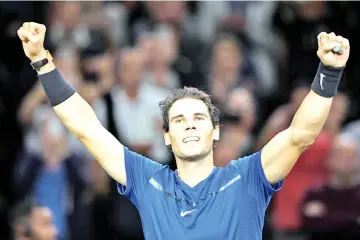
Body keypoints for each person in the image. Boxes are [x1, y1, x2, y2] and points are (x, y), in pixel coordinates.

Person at [17, 22, 350, 239]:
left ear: (215, 131)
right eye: (178, 120)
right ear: (166, 136)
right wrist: (42, 62)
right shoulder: (147, 181)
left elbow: (299, 134)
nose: (189, 123)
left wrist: (329, 72)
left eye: (198, 118)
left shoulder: (248, 177)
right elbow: (86, 128)